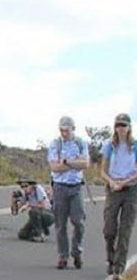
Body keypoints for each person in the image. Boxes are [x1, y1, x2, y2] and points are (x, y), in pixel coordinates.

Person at [47, 115, 90, 269]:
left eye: (66, 130)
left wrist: (66, 161)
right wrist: (74, 163)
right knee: (60, 224)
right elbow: (54, 167)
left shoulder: (80, 143)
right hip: (59, 186)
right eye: (61, 130)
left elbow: (85, 164)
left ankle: (76, 251)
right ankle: (62, 256)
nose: (64, 133)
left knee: (78, 222)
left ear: (73, 129)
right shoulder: (55, 144)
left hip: (75, 186)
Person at [101, 112, 137, 279]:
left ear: (129, 127)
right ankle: (111, 258)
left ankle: (119, 267)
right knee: (109, 229)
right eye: (118, 125)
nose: (120, 128)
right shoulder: (110, 146)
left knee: (125, 229)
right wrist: (111, 182)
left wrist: (124, 182)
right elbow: (103, 170)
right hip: (113, 187)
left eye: (123, 125)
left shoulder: (134, 146)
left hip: (130, 188)